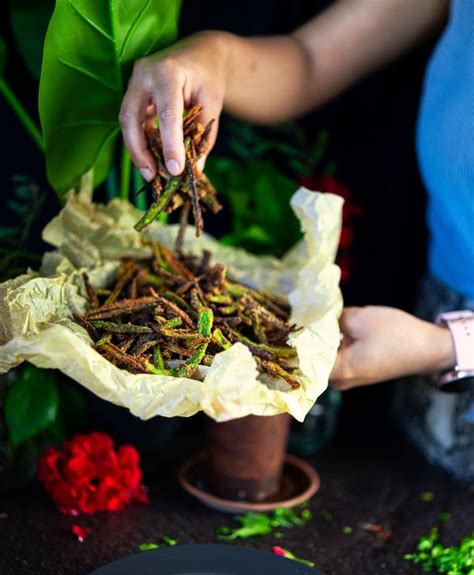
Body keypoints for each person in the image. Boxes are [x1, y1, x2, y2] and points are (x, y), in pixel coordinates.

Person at [119, 0, 474, 479]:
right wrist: (208, 60)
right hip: (440, 315)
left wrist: (448, 346)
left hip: (442, 346)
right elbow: (309, 59)